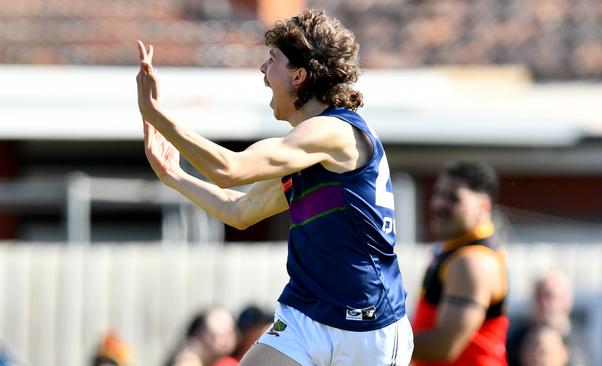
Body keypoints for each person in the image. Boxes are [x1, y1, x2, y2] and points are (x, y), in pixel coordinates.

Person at [136, 8, 413, 366]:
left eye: (272, 60)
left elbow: (231, 169)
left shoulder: (334, 132)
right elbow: (240, 211)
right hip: (305, 318)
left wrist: (155, 113)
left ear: (299, 75)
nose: (263, 71)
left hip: (367, 330)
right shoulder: (306, 150)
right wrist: (174, 174)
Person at [411, 160, 509, 365]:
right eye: (437, 194)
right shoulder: (453, 249)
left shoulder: (473, 262)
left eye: (453, 198)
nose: (439, 204)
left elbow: (445, 346)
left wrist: (378, 343)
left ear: (484, 206)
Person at [507, 270, 588, 366]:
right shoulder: (516, 340)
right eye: (539, 296)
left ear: (567, 300)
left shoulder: (579, 342)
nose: (544, 303)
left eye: (550, 296)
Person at [165, 307, 238, 366]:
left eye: (227, 333)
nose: (221, 341)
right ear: (197, 334)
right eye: (213, 335)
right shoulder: (187, 359)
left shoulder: (230, 362)